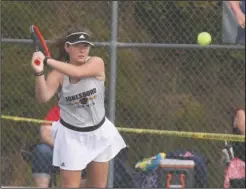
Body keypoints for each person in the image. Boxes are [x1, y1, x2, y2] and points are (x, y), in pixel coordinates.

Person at [31, 27, 127, 188]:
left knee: (97, 186)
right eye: (77, 45)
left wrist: (47, 60)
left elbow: (78, 73)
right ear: (67, 48)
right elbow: (43, 97)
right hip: (71, 137)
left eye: (85, 45)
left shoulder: (96, 63)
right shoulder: (57, 74)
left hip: (99, 133)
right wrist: (39, 72)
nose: (82, 50)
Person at [31, 104, 60, 187]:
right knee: (42, 150)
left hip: (80, 153)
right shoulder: (60, 108)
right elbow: (45, 132)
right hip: (58, 150)